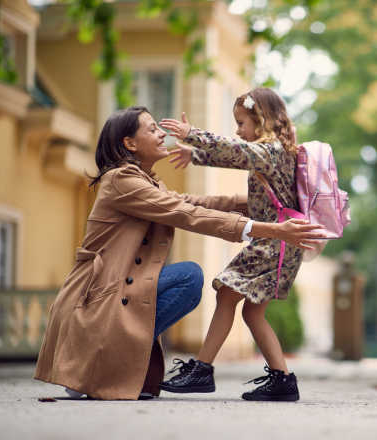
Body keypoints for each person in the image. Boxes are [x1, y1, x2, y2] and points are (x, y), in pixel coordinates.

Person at [34, 106, 324, 400]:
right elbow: (185, 213)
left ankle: (104, 363)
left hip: (118, 287)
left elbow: (193, 201)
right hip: (98, 295)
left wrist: (260, 204)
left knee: (187, 277)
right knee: (188, 276)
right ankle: (99, 356)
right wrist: (272, 230)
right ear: (129, 143)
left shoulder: (146, 181)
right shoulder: (121, 181)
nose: (162, 134)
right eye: (152, 129)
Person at [158, 88, 314, 401]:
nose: (238, 129)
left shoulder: (270, 150)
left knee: (227, 293)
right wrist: (196, 155)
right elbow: (239, 154)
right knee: (252, 313)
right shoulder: (277, 151)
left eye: (242, 122)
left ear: (263, 121)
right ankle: (283, 380)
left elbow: (236, 151)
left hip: (276, 240)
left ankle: (202, 369)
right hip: (278, 241)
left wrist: (194, 136)